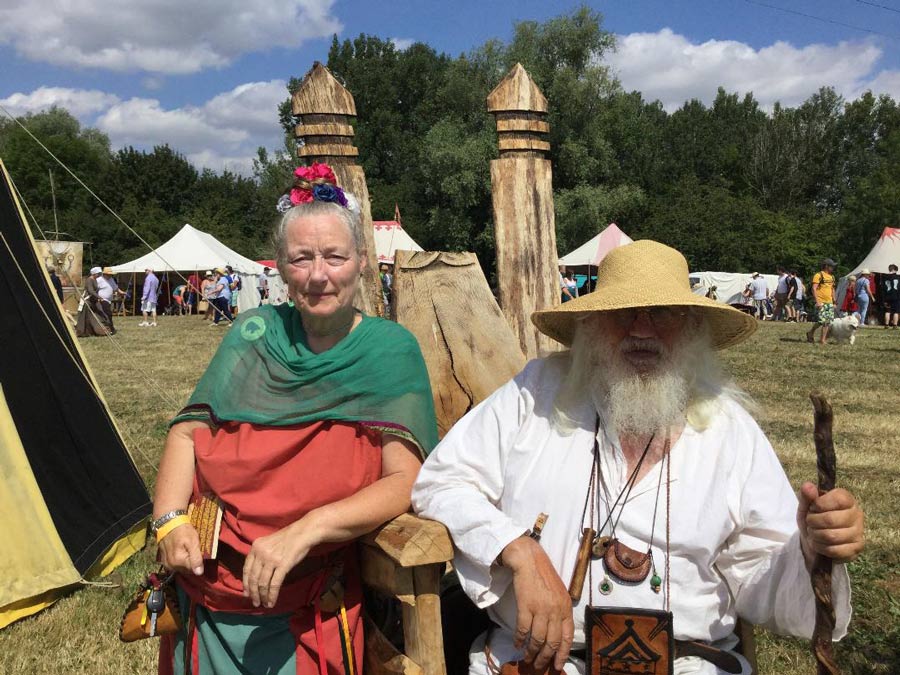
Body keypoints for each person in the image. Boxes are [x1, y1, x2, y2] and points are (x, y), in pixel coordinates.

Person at [412, 240, 864, 675]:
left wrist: (813, 550)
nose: (642, 330)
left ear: (692, 328)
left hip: (688, 664)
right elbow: (440, 483)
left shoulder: (729, 430)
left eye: (663, 313)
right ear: (590, 325)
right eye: (623, 313)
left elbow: (768, 579)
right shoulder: (537, 395)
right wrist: (517, 548)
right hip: (540, 662)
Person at [152, 162, 437, 675]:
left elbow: (405, 480)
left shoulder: (390, 350)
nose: (320, 275)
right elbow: (188, 431)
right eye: (302, 259)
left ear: (361, 262)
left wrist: (309, 528)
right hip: (208, 583)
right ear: (281, 267)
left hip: (308, 597)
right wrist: (169, 520)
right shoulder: (253, 331)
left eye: (334, 256)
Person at [807, 259, 837, 344]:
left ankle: (822, 340)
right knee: (821, 321)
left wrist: (834, 302)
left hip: (829, 302)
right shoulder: (818, 275)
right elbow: (814, 288)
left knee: (827, 322)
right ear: (826, 266)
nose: (833, 268)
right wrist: (817, 301)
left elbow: (832, 289)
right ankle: (811, 332)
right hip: (821, 302)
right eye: (832, 266)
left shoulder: (832, 277)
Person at [96, 267, 119, 333]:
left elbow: (115, 288)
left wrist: (121, 292)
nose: (110, 275)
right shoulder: (99, 280)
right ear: (105, 274)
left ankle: (110, 328)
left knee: (108, 314)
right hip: (102, 300)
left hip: (109, 300)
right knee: (108, 314)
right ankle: (110, 329)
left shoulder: (111, 279)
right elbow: (95, 289)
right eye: (109, 274)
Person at [883, 263, 900, 328]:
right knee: (896, 311)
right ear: (895, 270)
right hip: (896, 296)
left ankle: (886, 325)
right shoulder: (898, 277)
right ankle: (895, 325)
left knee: (887, 311)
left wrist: (884, 298)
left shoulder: (885, 277)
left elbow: (883, 289)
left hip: (887, 296)